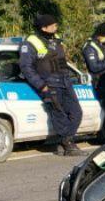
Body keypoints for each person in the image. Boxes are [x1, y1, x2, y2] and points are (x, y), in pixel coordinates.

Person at [20, 13, 82, 156]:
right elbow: (26, 67)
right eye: (53, 25)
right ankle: (68, 145)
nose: (56, 26)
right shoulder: (31, 42)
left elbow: (62, 62)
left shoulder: (56, 39)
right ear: (44, 28)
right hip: (49, 84)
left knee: (76, 112)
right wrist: (41, 85)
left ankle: (65, 141)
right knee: (59, 114)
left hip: (65, 82)